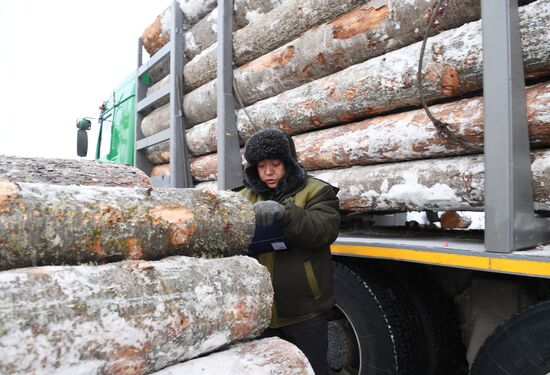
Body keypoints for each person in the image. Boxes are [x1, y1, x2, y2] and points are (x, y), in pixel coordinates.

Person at [239, 128, 340, 374]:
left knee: (312, 369)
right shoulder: (243, 197)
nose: (268, 172)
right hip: (261, 314)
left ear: (289, 163)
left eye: (275, 164)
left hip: (304, 313)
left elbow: (322, 230)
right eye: (261, 166)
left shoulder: (317, 191)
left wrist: (285, 214)